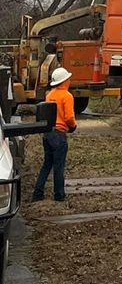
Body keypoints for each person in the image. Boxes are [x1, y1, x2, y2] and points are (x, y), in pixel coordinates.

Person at [31, 66, 77, 202]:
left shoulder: (50, 95)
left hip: (47, 133)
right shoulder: (67, 96)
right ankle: (59, 195)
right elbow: (69, 117)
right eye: (68, 79)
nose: (69, 81)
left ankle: (38, 193)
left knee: (47, 164)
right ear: (64, 81)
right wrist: (73, 126)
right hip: (59, 134)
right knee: (59, 166)